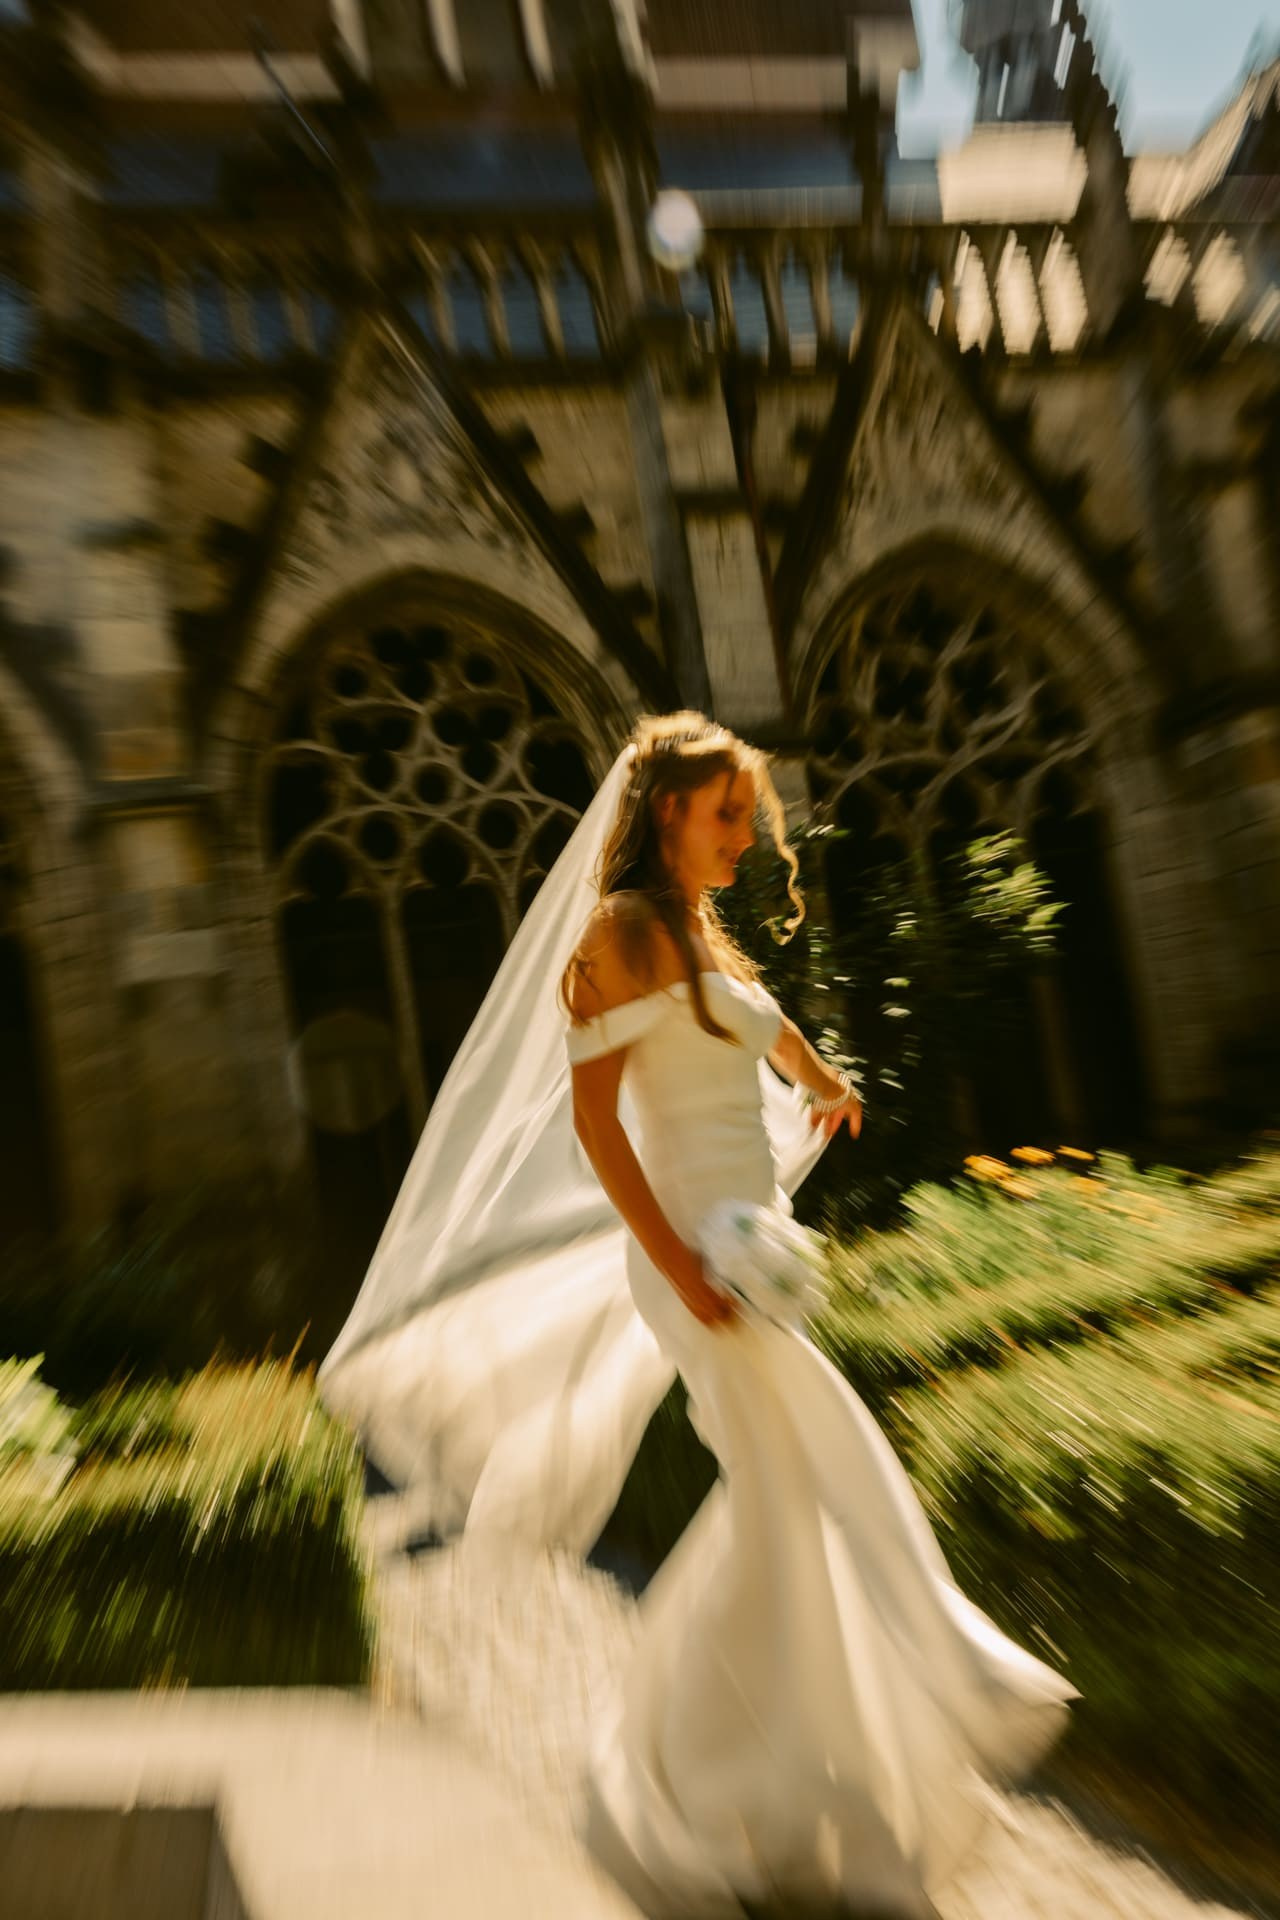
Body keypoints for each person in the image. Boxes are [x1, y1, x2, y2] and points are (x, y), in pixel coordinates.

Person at [320, 711, 1076, 1920]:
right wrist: (674, 1258)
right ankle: (728, 1773)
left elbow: (759, 1050)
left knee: (785, 1507)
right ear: (666, 808)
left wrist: (824, 1087)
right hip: (693, 1266)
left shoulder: (699, 933)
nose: (748, 835)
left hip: (743, 1251)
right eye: (729, 813)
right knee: (814, 1476)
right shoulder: (619, 932)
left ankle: (770, 1777)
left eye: (750, 815)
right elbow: (595, 1125)